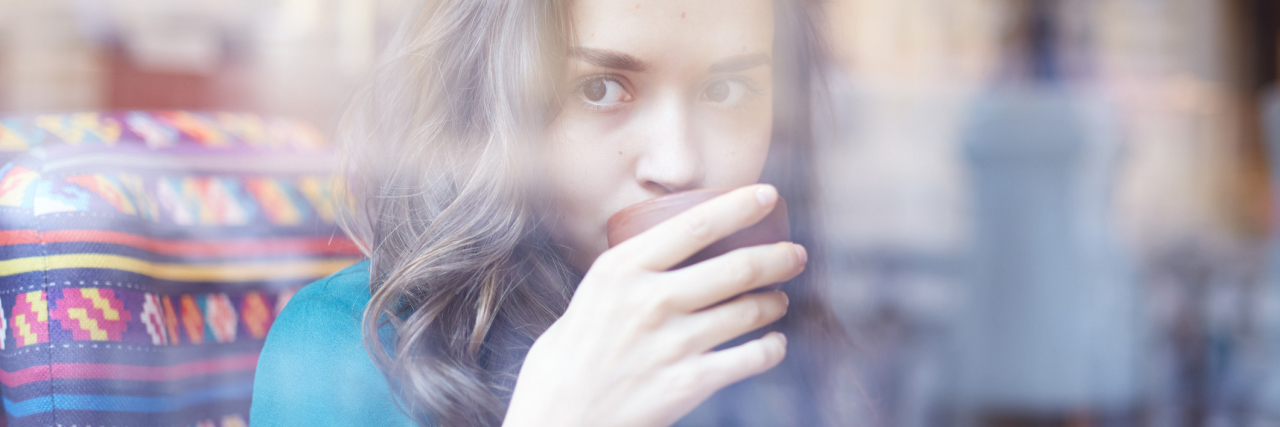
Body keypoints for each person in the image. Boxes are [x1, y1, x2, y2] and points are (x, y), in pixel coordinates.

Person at [250, 0, 852, 425]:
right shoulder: (353, 346)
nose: (678, 163)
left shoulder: (789, 345)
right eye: (600, 88)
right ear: (491, 105)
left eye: (726, 91)